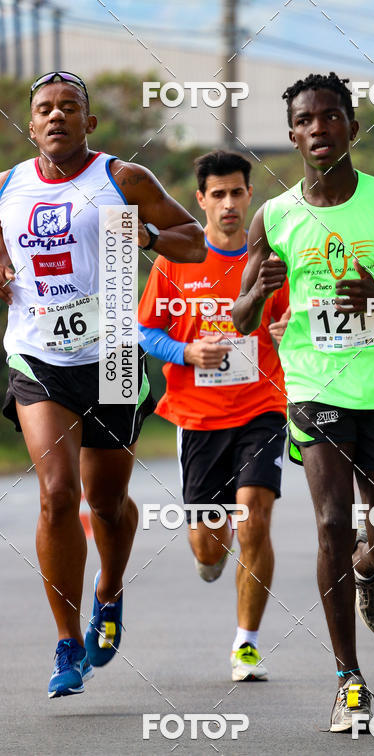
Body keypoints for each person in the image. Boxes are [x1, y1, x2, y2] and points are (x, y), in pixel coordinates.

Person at [233, 72, 374, 731]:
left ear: (353, 128)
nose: (319, 129)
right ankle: (348, 681)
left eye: (331, 117)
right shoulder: (274, 218)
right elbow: (241, 320)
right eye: (306, 120)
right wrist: (259, 294)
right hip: (315, 388)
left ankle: (369, 569)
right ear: (292, 134)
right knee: (329, 521)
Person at [0, 71, 206, 698]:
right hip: (38, 358)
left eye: (70, 108)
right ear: (30, 125)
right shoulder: (6, 189)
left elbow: (194, 243)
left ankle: (108, 594)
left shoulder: (122, 179)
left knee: (106, 504)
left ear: (89, 123)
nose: (57, 116)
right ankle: (66, 643)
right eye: (45, 109)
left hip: (113, 356)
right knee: (58, 495)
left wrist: (140, 236)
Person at [138, 150, 289, 681]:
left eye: (237, 192)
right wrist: (185, 353)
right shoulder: (178, 257)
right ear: (201, 200)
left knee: (254, 514)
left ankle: (246, 643)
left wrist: (286, 331)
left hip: (262, 406)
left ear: (250, 196)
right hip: (198, 417)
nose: (228, 204)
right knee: (210, 540)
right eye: (217, 194)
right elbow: (144, 329)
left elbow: (294, 317)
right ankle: (209, 551)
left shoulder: (273, 259)